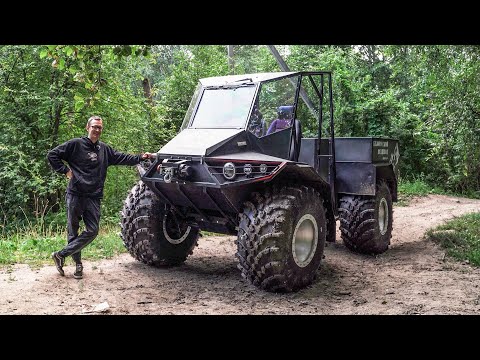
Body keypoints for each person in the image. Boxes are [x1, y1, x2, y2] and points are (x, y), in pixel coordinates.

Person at [47, 115, 155, 279]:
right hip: (75, 194)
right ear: (87, 127)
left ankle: (61, 254)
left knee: (92, 230)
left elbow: (122, 157)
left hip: (93, 196)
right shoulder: (75, 144)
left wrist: (141, 157)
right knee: (73, 231)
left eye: (99, 127)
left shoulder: (104, 149)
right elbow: (52, 155)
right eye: (94, 126)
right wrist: (66, 171)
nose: (97, 130)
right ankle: (78, 265)